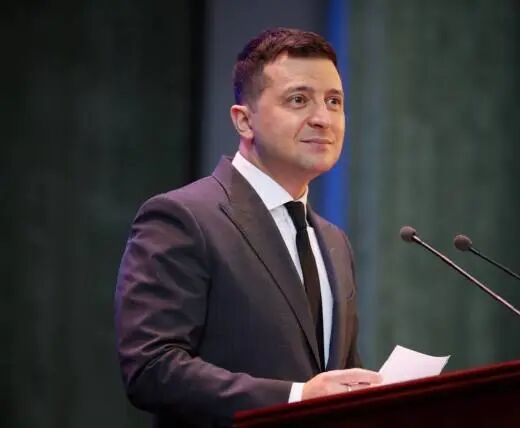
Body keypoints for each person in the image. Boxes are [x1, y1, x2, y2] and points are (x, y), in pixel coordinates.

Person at [114, 27, 381, 427]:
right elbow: (151, 368)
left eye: (334, 101)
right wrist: (296, 398)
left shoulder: (333, 241)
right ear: (244, 121)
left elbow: (334, 378)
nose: (322, 119)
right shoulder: (183, 218)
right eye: (298, 99)